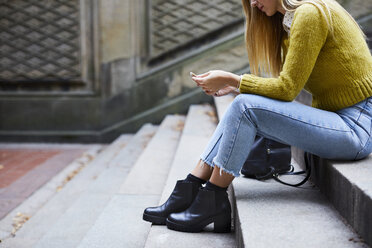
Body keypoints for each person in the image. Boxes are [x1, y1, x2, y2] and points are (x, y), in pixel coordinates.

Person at [143, 0, 372, 233]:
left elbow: (287, 89)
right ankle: (191, 186)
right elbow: (284, 90)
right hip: (337, 118)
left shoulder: (309, 14)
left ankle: (213, 196)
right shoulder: (289, 22)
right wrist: (236, 87)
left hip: (355, 126)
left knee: (245, 107)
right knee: (242, 105)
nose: (252, 3)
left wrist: (234, 80)